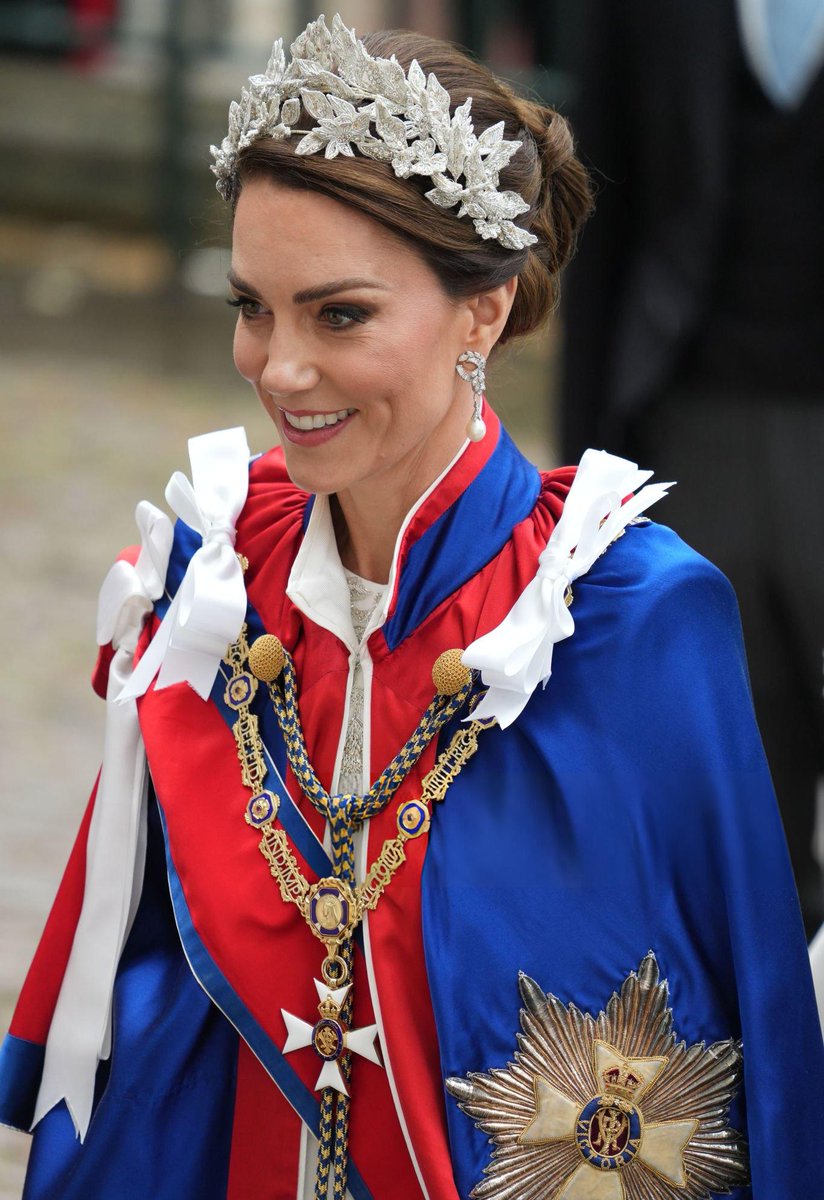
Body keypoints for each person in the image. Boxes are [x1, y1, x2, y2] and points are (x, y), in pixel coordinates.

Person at [1, 15, 821, 1200]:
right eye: (250, 307)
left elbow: (746, 1052)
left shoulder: (632, 615)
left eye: (338, 315)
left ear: (481, 312)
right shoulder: (210, 584)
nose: (279, 368)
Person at [558, 0, 824, 938]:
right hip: (694, 423)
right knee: (728, 825)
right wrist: (580, 489)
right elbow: (602, 222)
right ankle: (760, 1066)